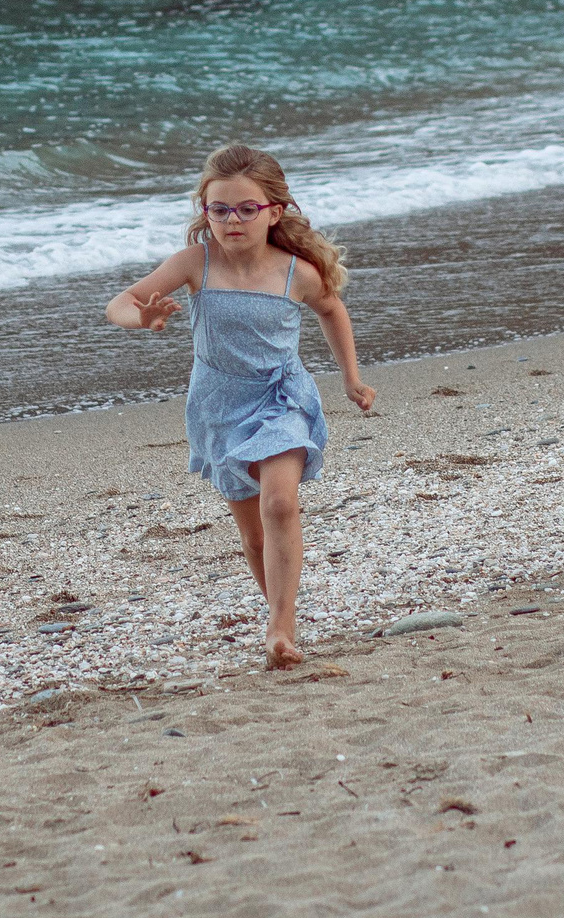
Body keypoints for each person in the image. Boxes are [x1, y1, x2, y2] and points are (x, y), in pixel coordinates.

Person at [106, 144, 377, 667]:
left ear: (273, 211)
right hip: (219, 407)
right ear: (205, 211)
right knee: (252, 533)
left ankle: (282, 627)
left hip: (281, 397)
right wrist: (141, 319)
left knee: (280, 503)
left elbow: (331, 309)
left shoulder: (295, 271)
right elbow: (119, 303)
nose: (232, 220)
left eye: (246, 209)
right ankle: (275, 609)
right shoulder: (195, 262)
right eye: (219, 209)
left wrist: (351, 379)